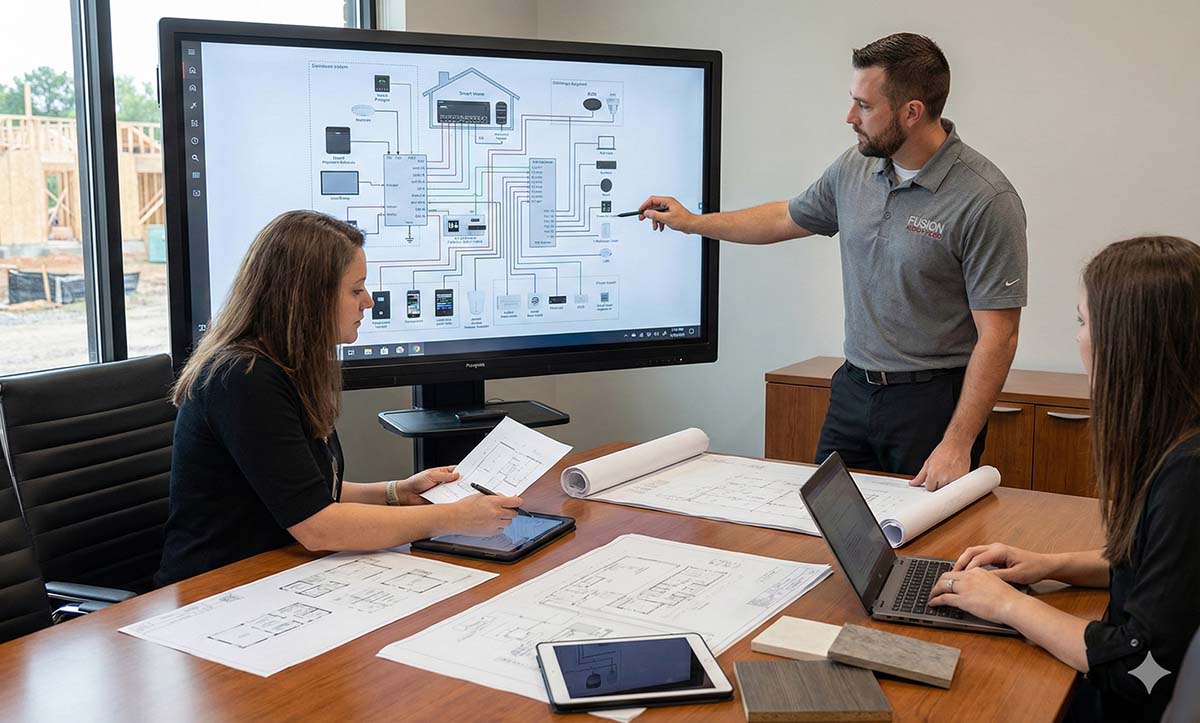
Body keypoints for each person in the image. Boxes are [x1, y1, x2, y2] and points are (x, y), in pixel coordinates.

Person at [639, 33, 1026, 490]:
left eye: (863, 106)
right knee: (827, 524)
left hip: (932, 403)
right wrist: (693, 222)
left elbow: (998, 337)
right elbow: (786, 217)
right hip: (853, 391)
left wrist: (958, 441)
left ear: (911, 112)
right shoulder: (854, 168)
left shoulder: (985, 199)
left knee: (920, 544)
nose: (849, 117)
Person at [155, 210, 522, 586]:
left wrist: (396, 492)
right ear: (308, 296)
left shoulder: (285, 365)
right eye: (355, 289)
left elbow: (299, 486)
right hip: (216, 590)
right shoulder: (242, 377)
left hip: (277, 571)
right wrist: (454, 517)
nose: (369, 301)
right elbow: (319, 526)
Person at [927, 236, 1200, 722]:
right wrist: (1049, 564)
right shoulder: (1180, 445)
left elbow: (1141, 668)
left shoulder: (1188, 479)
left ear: (1128, 342)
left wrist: (1010, 606)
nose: (1077, 338)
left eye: (1082, 322)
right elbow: (1162, 573)